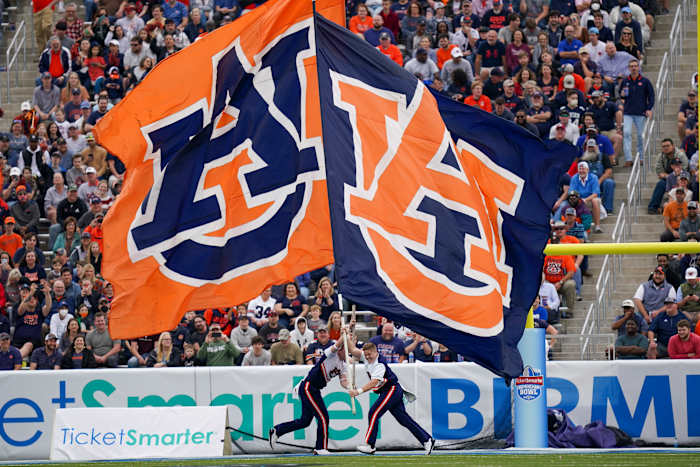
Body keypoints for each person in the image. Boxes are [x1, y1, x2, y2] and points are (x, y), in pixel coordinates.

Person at [270, 329, 352, 456]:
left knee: (305, 421)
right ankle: (320, 448)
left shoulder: (343, 365)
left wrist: (350, 387)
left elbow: (343, 381)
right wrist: (345, 335)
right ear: (341, 348)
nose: (348, 353)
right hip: (308, 387)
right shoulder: (331, 354)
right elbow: (337, 345)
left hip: (314, 389)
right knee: (323, 417)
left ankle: (277, 430)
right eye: (346, 349)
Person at [348, 340, 435, 455]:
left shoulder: (379, 364)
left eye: (370, 354)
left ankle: (370, 445)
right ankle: (427, 439)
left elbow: (374, 382)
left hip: (391, 390)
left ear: (376, 352)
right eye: (366, 355)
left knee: (374, 413)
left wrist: (358, 391)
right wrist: (347, 335)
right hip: (390, 391)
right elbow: (353, 350)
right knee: (404, 420)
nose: (368, 357)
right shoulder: (366, 356)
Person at [621, 58, 654, 166]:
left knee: (640, 135)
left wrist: (649, 108)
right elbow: (621, 94)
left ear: (638, 67)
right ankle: (628, 158)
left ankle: (641, 157)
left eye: (635, 66)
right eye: (631, 66)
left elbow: (651, 96)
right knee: (626, 133)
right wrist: (622, 97)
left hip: (641, 113)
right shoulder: (625, 81)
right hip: (628, 112)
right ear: (629, 68)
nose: (634, 68)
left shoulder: (645, 81)